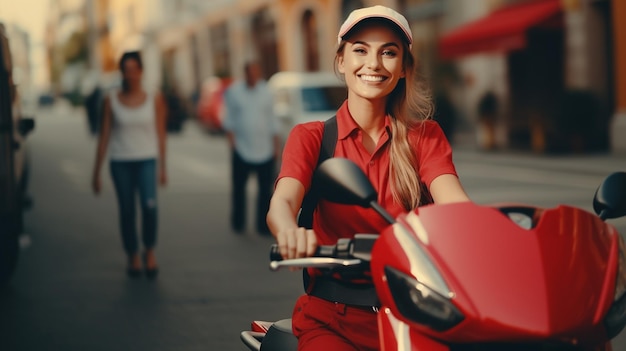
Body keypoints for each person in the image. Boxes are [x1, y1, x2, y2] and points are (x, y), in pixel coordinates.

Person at [266, 6, 471, 351]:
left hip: (416, 315)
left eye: (388, 52)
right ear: (342, 61)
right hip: (333, 320)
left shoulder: (425, 138)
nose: (373, 64)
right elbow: (283, 201)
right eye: (360, 49)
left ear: (405, 68)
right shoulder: (312, 137)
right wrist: (289, 232)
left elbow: (458, 207)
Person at [91, 51, 167, 279]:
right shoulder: (110, 99)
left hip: (147, 160)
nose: (131, 74)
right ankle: (133, 254)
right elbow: (103, 136)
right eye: (126, 70)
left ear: (141, 71)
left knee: (149, 207)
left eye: (135, 69)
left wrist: (163, 167)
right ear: (121, 72)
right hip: (120, 162)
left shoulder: (155, 97)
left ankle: (150, 251)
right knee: (126, 210)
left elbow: (161, 134)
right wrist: (96, 172)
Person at [222, 61, 280, 235]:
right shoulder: (235, 92)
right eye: (250, 72)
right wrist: (232, 143)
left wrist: (275, 146)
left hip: (264, 148)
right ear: (245, 73)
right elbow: (229, 119)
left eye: (256, 72)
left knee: (265, 190)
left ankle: (263, 225)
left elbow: (272, 120)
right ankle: (238, 223)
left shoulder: (266, 92)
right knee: (239, 188)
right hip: (242, 147)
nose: (253, 76)